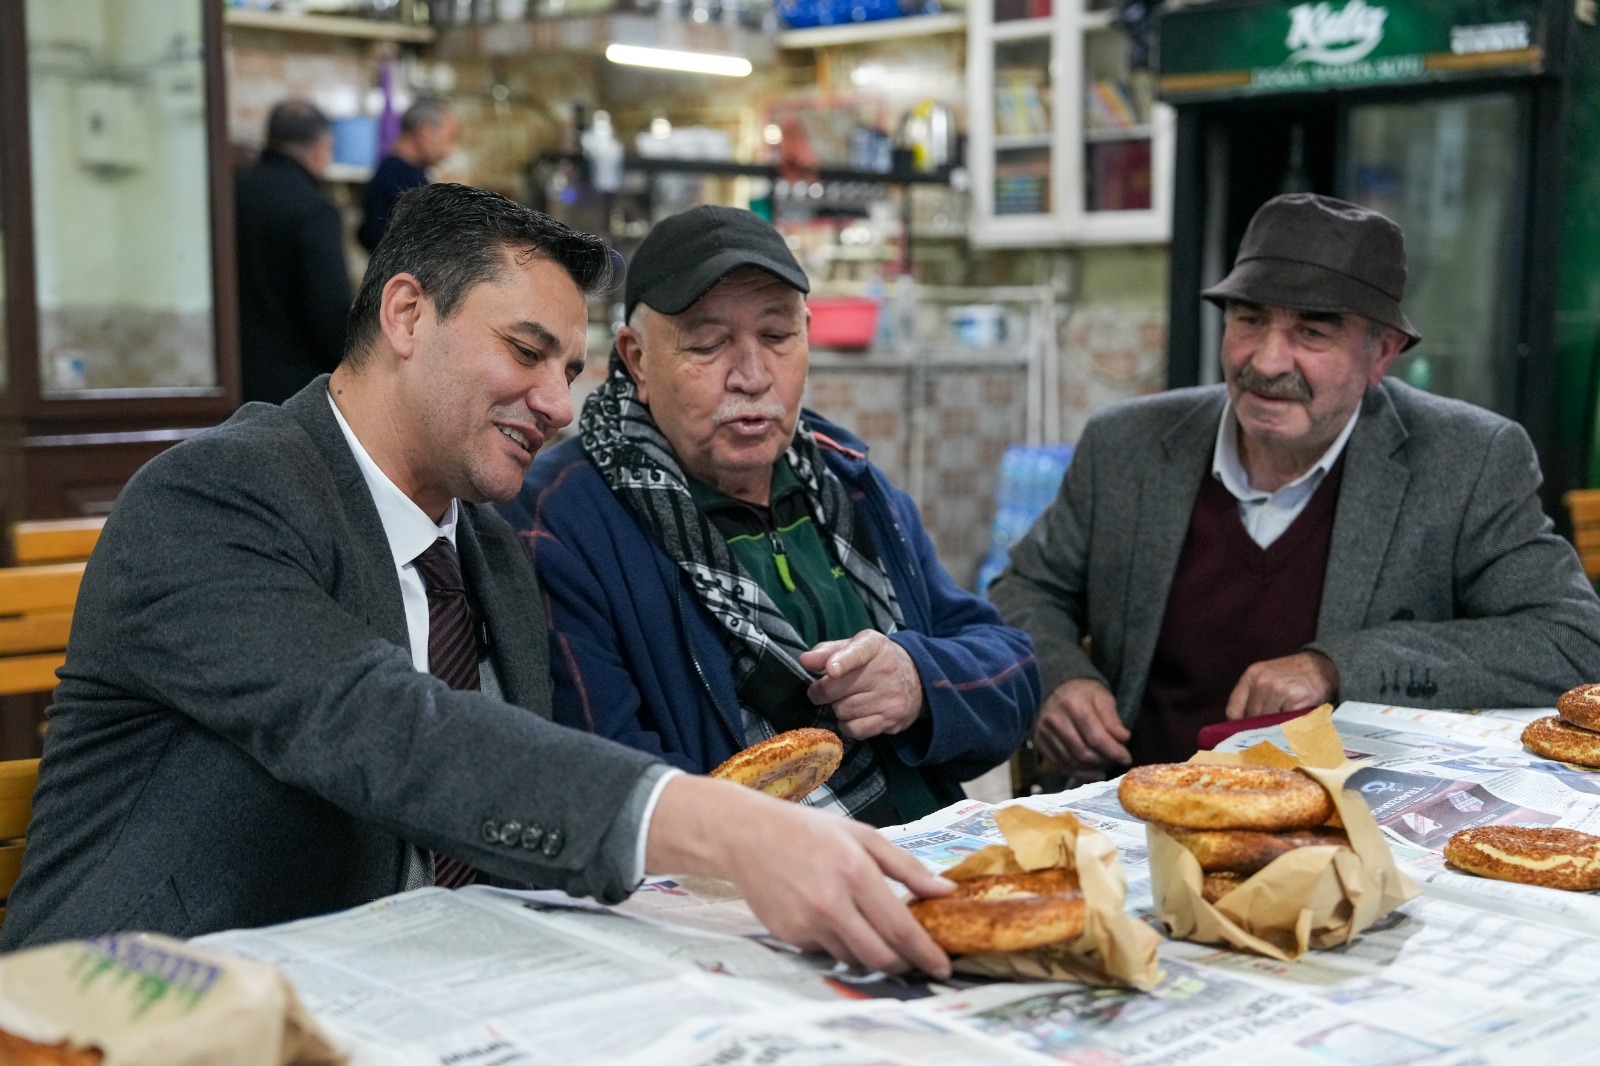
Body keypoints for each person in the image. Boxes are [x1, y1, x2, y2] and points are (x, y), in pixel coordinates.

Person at [1, 185, 954, 980]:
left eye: (571, 370)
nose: (554, 403)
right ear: (407, 314)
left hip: (415, 983)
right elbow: (376, 723)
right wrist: (723, 827)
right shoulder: (216, 496)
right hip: (141, 996)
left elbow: (507, 801)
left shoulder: (491, 549)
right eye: (527, 351)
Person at [988, 192, 1600, 780]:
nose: (1268, 361)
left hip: (1347, 831)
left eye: (1313, 332)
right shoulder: (1128, 445)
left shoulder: (1465, 461)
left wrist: (1336, 667)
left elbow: (1571, 640)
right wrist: (1061, 677)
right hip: (1137, 806)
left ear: (1381, 353)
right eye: (1249, 319)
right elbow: (1026, 587)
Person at [502, 205, 1039, 828]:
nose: (753, 376)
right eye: (708, 343)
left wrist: (920, 680)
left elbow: (1015, 675)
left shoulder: (848, 480)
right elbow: (607, 785)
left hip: (928, 851)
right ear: (638, 361)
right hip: (742, 887)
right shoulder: (563, 520)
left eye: (778, 337)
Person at [235, 99, 352, 405]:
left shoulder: (234, 190)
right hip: (294, 383)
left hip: (234, 374)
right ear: (321, 147)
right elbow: (329, 309)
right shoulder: (314, 208)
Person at [358, 98, 457, 253]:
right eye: (448, 138)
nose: (449, 150)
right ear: (426, 132)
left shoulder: (395, 172)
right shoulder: (403, 181)